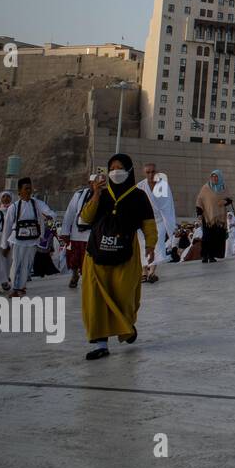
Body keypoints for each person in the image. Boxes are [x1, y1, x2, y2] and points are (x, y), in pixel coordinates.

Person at [79, 154, 157, 361]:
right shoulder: (100, 193)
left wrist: (150, 244)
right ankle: (101, 343)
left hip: (125, 255)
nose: (115, 171)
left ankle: (126, 326)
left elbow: (148, 222)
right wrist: (95, 194)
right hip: (97, 254)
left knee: (124, 296)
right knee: (96, 300)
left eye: (120, 167)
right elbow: (85, 217)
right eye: (112, 167)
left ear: (129, 170)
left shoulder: (139, 196)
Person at [1, 178, 55, 298]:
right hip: (18, 239)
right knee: (17, 264)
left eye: (30, 188)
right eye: (26, 188)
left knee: (27, 264)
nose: (29, 191)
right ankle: (14, 288)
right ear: (19, 191)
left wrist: (50, 216)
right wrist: (4, 245)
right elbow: (7, 227)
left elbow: (48, 212)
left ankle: (21, 286)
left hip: (33, 240)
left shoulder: (37, 204)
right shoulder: (14, 207)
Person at [138, 164, 176, 282]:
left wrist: (168, 221)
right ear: (144, 173)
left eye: (153, 172)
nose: (150, 174)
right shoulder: (140, 186)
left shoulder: (163, 185)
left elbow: (167, 203)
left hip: (159, 219)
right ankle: (144, 271)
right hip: (144, 220)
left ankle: (152, 272)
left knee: (157, 244)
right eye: (148, 172)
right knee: (143, 245)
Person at [60, 173, 96, 289]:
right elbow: (70, 213)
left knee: (88, 260)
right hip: (76, 234)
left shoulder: (103, 195)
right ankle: (74, 275)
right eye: (92, 182)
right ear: (89, 183)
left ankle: (88, 279)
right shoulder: (79, 194)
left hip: (92, 235)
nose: (94, 185)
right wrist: (65, 232)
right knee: (74, 258)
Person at [195, 170, 231, 263]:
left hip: (219, 217)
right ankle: (204, 256)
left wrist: (225, 201)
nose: (214, 178)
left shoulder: (223, 187)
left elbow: (229, 199)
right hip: (208, 217)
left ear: (219, 177)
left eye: (216, 177)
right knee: (207, 237)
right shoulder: (205, 188)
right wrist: (199, 213)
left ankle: (212, 256)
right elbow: (200, 199)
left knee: (216, 237)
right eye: (213, 176)